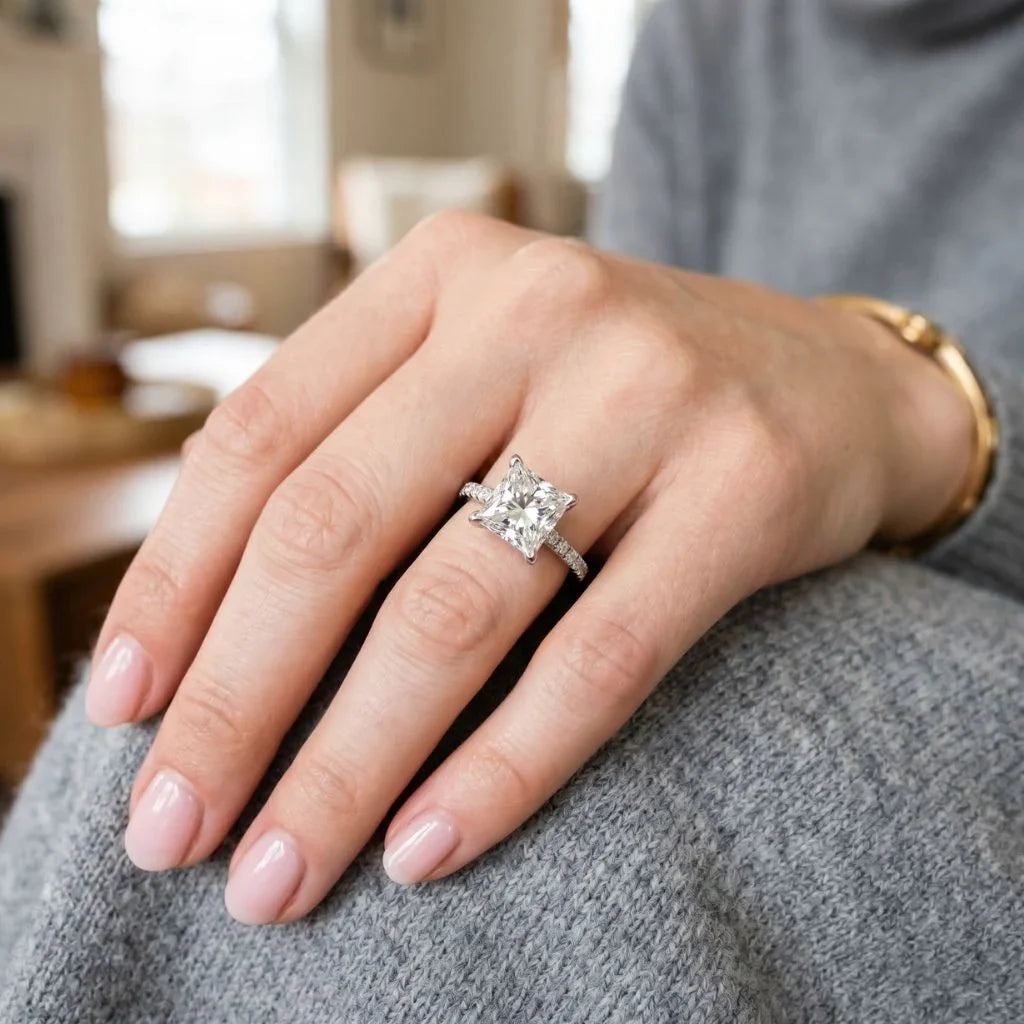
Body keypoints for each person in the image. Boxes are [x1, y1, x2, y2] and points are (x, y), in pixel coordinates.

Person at [3, 1, 1023, 1020]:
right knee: (255, 667)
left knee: (517, 825)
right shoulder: (706, 32)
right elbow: (629, 388)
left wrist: (923, 411)